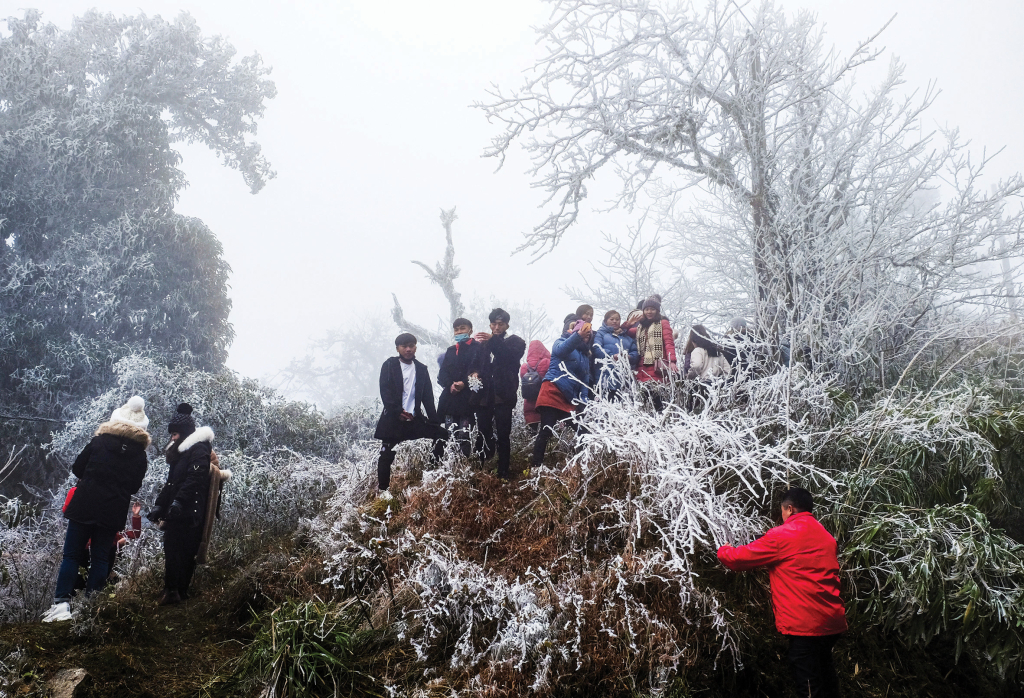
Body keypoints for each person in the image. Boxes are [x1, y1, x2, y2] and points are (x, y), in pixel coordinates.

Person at [717, 488, 847, 698]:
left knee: (808, 685)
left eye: (783, 512)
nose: (782, 517)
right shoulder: (826, 536)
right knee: (826, 675)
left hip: (806, 625)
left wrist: (723, 549)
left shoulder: (781, 536)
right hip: (832, 621)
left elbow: (738, 559)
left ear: (789, 508)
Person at [43, 396, 150, 622]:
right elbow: (134, 486)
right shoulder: (140, 455)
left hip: (85, 505)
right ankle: (91, 608)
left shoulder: (99, 442)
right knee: (101, 559)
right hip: (112, 511)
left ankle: (62, 605)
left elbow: (78, 469)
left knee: (71, 555)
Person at [148, 403, 215, 605]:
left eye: (175, 434)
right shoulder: (180, 455)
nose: (172, 438)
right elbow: (171, 484)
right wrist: (160, 505)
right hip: (177, 510)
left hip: (190, 511)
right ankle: (173, 591)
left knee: (184, 551)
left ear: (184, 434)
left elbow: (196, 477)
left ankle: (176, 592)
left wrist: (178, 501)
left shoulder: (199, 449)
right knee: (173, 550)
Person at [373, 333, 447, 497]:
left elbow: (428, 397)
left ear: (415, 347)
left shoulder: (421, 369)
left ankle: (432, 475)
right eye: (404, 346)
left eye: (411, 346)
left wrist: (434, 421)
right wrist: (397, 411)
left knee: (442, 435)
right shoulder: (390, 365)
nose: (408, 349)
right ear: (397, 348)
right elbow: (385, 391)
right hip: (393, 420)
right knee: (386, 454)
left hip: (414, 420)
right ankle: (384, 492)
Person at [468, 308, 527, 480]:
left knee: (503, 434)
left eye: (500, 324)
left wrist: (493, 340)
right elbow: (474, 364)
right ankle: (481, 468)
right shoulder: (483, 345)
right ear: (490, 325)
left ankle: (503, 472)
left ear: (507, 325)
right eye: (493, 324)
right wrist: (473, 373)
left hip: (504, 396)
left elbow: (508, 356)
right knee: (483, 431)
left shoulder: (516, 342)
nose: (496, 327)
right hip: (484, 396)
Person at [531, 316, 594, 469]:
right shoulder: (559, 343)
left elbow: (584, 382)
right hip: (552, 391)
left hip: (569, 398)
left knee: (583, 430)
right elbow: (563, 349)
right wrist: (578, 335)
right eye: (582, 333)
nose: (585, 337)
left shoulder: (586, 357)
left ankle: (582, 467)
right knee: (546, 431)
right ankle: (536, 467)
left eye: (588, 335)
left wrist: (583, 402)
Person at [623, 296, 677, 411]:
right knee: (645, 396)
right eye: (646, 309)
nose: (649, 312)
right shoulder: (641, 326)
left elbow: (669, 342)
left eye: (652, 309)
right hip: (642, 365)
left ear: (657, 310)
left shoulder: (663, 323)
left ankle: (659, 421)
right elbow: (626, 332)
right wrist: (629, 323)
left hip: (657, 364)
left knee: (657, 396)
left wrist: (672, 361)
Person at [436, 318, 479, 458]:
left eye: (462, 328)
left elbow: (480, 370)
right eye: (456, 329)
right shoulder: (450, 350)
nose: (459, 332)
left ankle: (465, 466)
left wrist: (464, 383)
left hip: (469, 399)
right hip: (450, 399)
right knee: (450, 435)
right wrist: (450, 385)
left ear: (470, 330)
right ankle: (450, 468)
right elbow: (442, 374)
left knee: (465, 435)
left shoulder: (478, 348)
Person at [592, 309, 639, 397]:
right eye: (611, 319)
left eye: (617, 319)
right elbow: (596, 348)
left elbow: (636, 353)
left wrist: (629, 357)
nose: (615, 321)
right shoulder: (601, 334)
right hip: (604, 379)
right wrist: (612, 356)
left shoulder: (627, 337)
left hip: (623, 380)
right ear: (605, 321)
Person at [520, 340, 551, 434]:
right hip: (543, 399)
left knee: (532, 431)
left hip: (529, 401)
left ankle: (531, 447)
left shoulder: (524, 366)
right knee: (545, 432)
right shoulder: (546, 362)